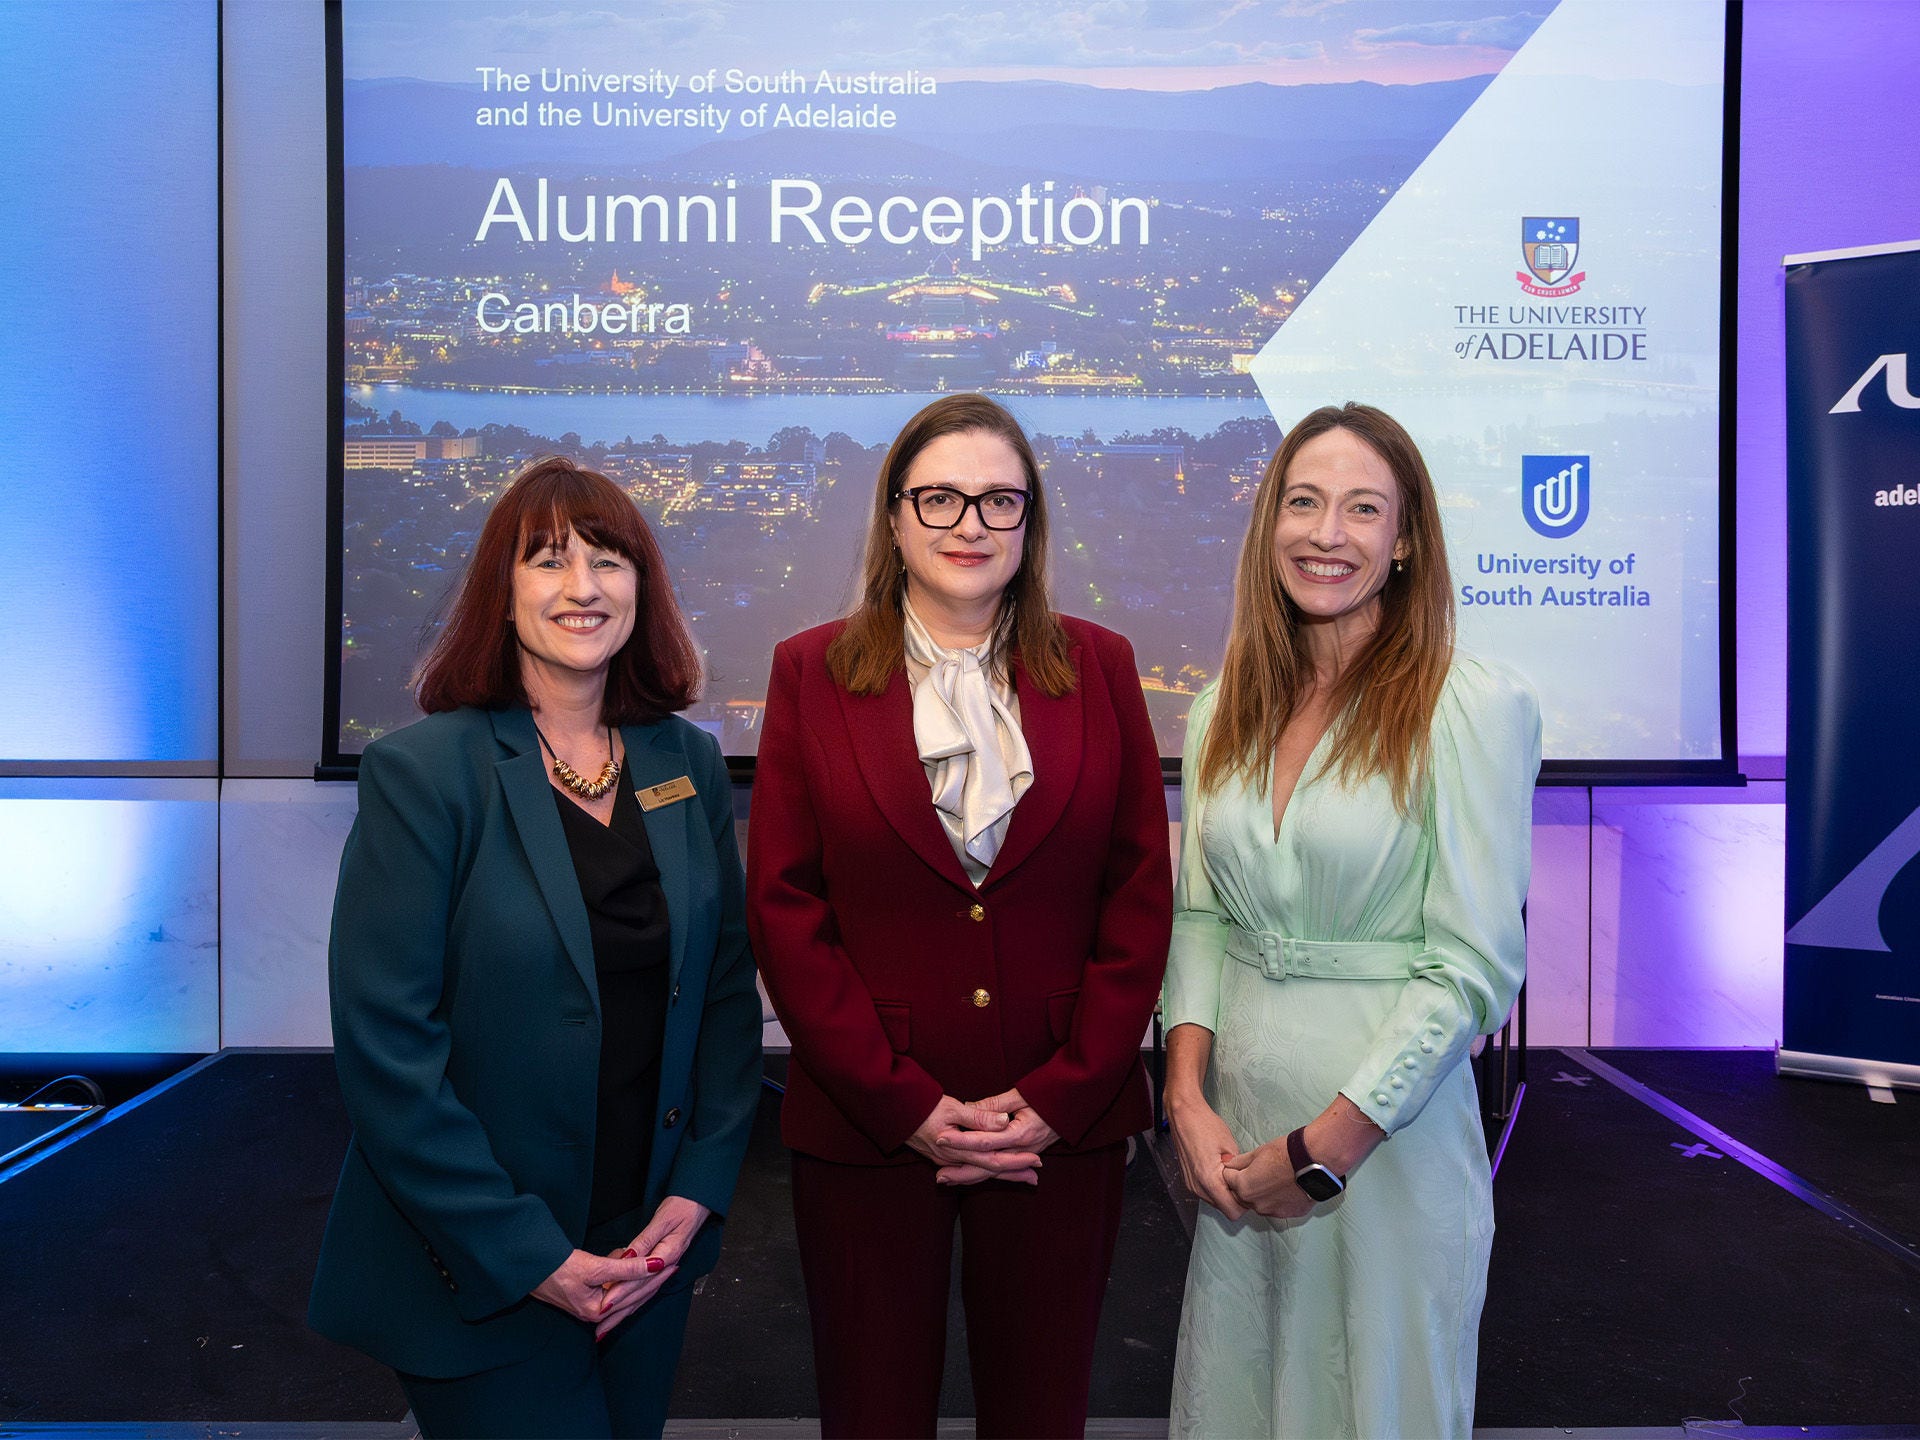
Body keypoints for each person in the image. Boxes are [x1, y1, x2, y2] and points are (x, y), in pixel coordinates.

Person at [309, 456, 763, 1440]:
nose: (583, 587)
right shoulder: (424, 775)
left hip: (645, 1254)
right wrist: (529, 1256)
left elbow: (725, 992)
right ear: (500, 590)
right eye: (548, 560)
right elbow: (390, 1058)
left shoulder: (682, 761)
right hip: (482, 1268)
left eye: (609, 560)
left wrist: (698, 1192)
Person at [747, 394, 1171, 1439]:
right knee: (872, 1411)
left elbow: (1138, 895)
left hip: (1056, 1128)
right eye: (938, 497)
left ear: (1031, 527)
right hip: (870, 1123)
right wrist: (907, 1108)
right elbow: (786, 906)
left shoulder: (1103, 665)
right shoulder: (810, 670)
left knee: (1042, 1413)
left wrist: (1066, 1094)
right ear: (893, 519)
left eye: (998, 500)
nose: (967, 523)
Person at [1162, 403, 1540, 1439]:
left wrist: (1328, 1144)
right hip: (1237, 1143)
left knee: (1377, 1406)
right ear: (1269, 522)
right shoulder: (1220, 704)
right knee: (1236, 1404)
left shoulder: (1468, 705)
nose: (1328, 533)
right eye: (1305, 502)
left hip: (1383, 1146)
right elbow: (1200, 917)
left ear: (1407, 539)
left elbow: (1470, 967)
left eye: (1363, 508)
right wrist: (1186, 1100)